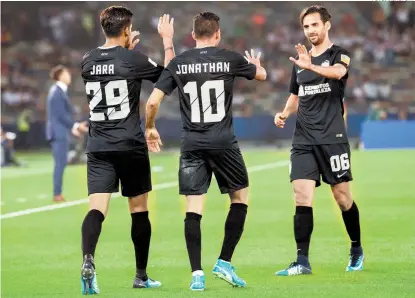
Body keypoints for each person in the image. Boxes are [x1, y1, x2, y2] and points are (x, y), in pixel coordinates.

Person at [145, 12, 266, 291]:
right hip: (224, 142)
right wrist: (257, 66)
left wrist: (150, 128)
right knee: (240, 198)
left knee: (193, 209)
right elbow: (261, 75)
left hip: (192, 145)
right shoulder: (231, 58)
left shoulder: (179, 62)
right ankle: (224, 261)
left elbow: (152, 102)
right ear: (218, 34)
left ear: (193, 34)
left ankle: (196, 274)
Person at [79, 6, 175, 295]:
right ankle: (141, 275)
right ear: (125, 30)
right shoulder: (133, 59)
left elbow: (110, 69)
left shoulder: (87, 60)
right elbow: (168, 75)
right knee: (139, 210)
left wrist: (125, 50)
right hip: (129, 144)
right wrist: (167, 41)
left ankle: (88, 259)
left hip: (98, 146)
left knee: (97, 208)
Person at [274, 5, 364, 276]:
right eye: (306, 26)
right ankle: (302, 261)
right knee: (301, 196)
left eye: (315, 25)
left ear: (327, 25)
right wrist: (284, 113)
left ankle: (356, 248)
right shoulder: (300, 61)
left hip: (332, 137)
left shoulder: (340, 54)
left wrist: (311, 65)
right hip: (303, 138)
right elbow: (295, 94)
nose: (310, 30)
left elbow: (338, 73)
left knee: (342, 197)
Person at [46, 65, 88, 202]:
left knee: (61, 163)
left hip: (60, 131)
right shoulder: (57, 92)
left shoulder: (59, 92)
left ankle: (57, 192)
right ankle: (57, 194)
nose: (69, 77)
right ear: (60, 76)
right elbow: (60, 115)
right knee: (60, 163)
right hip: (58, 133)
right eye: (67, 74)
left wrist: (73, 129)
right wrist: (75, 125)